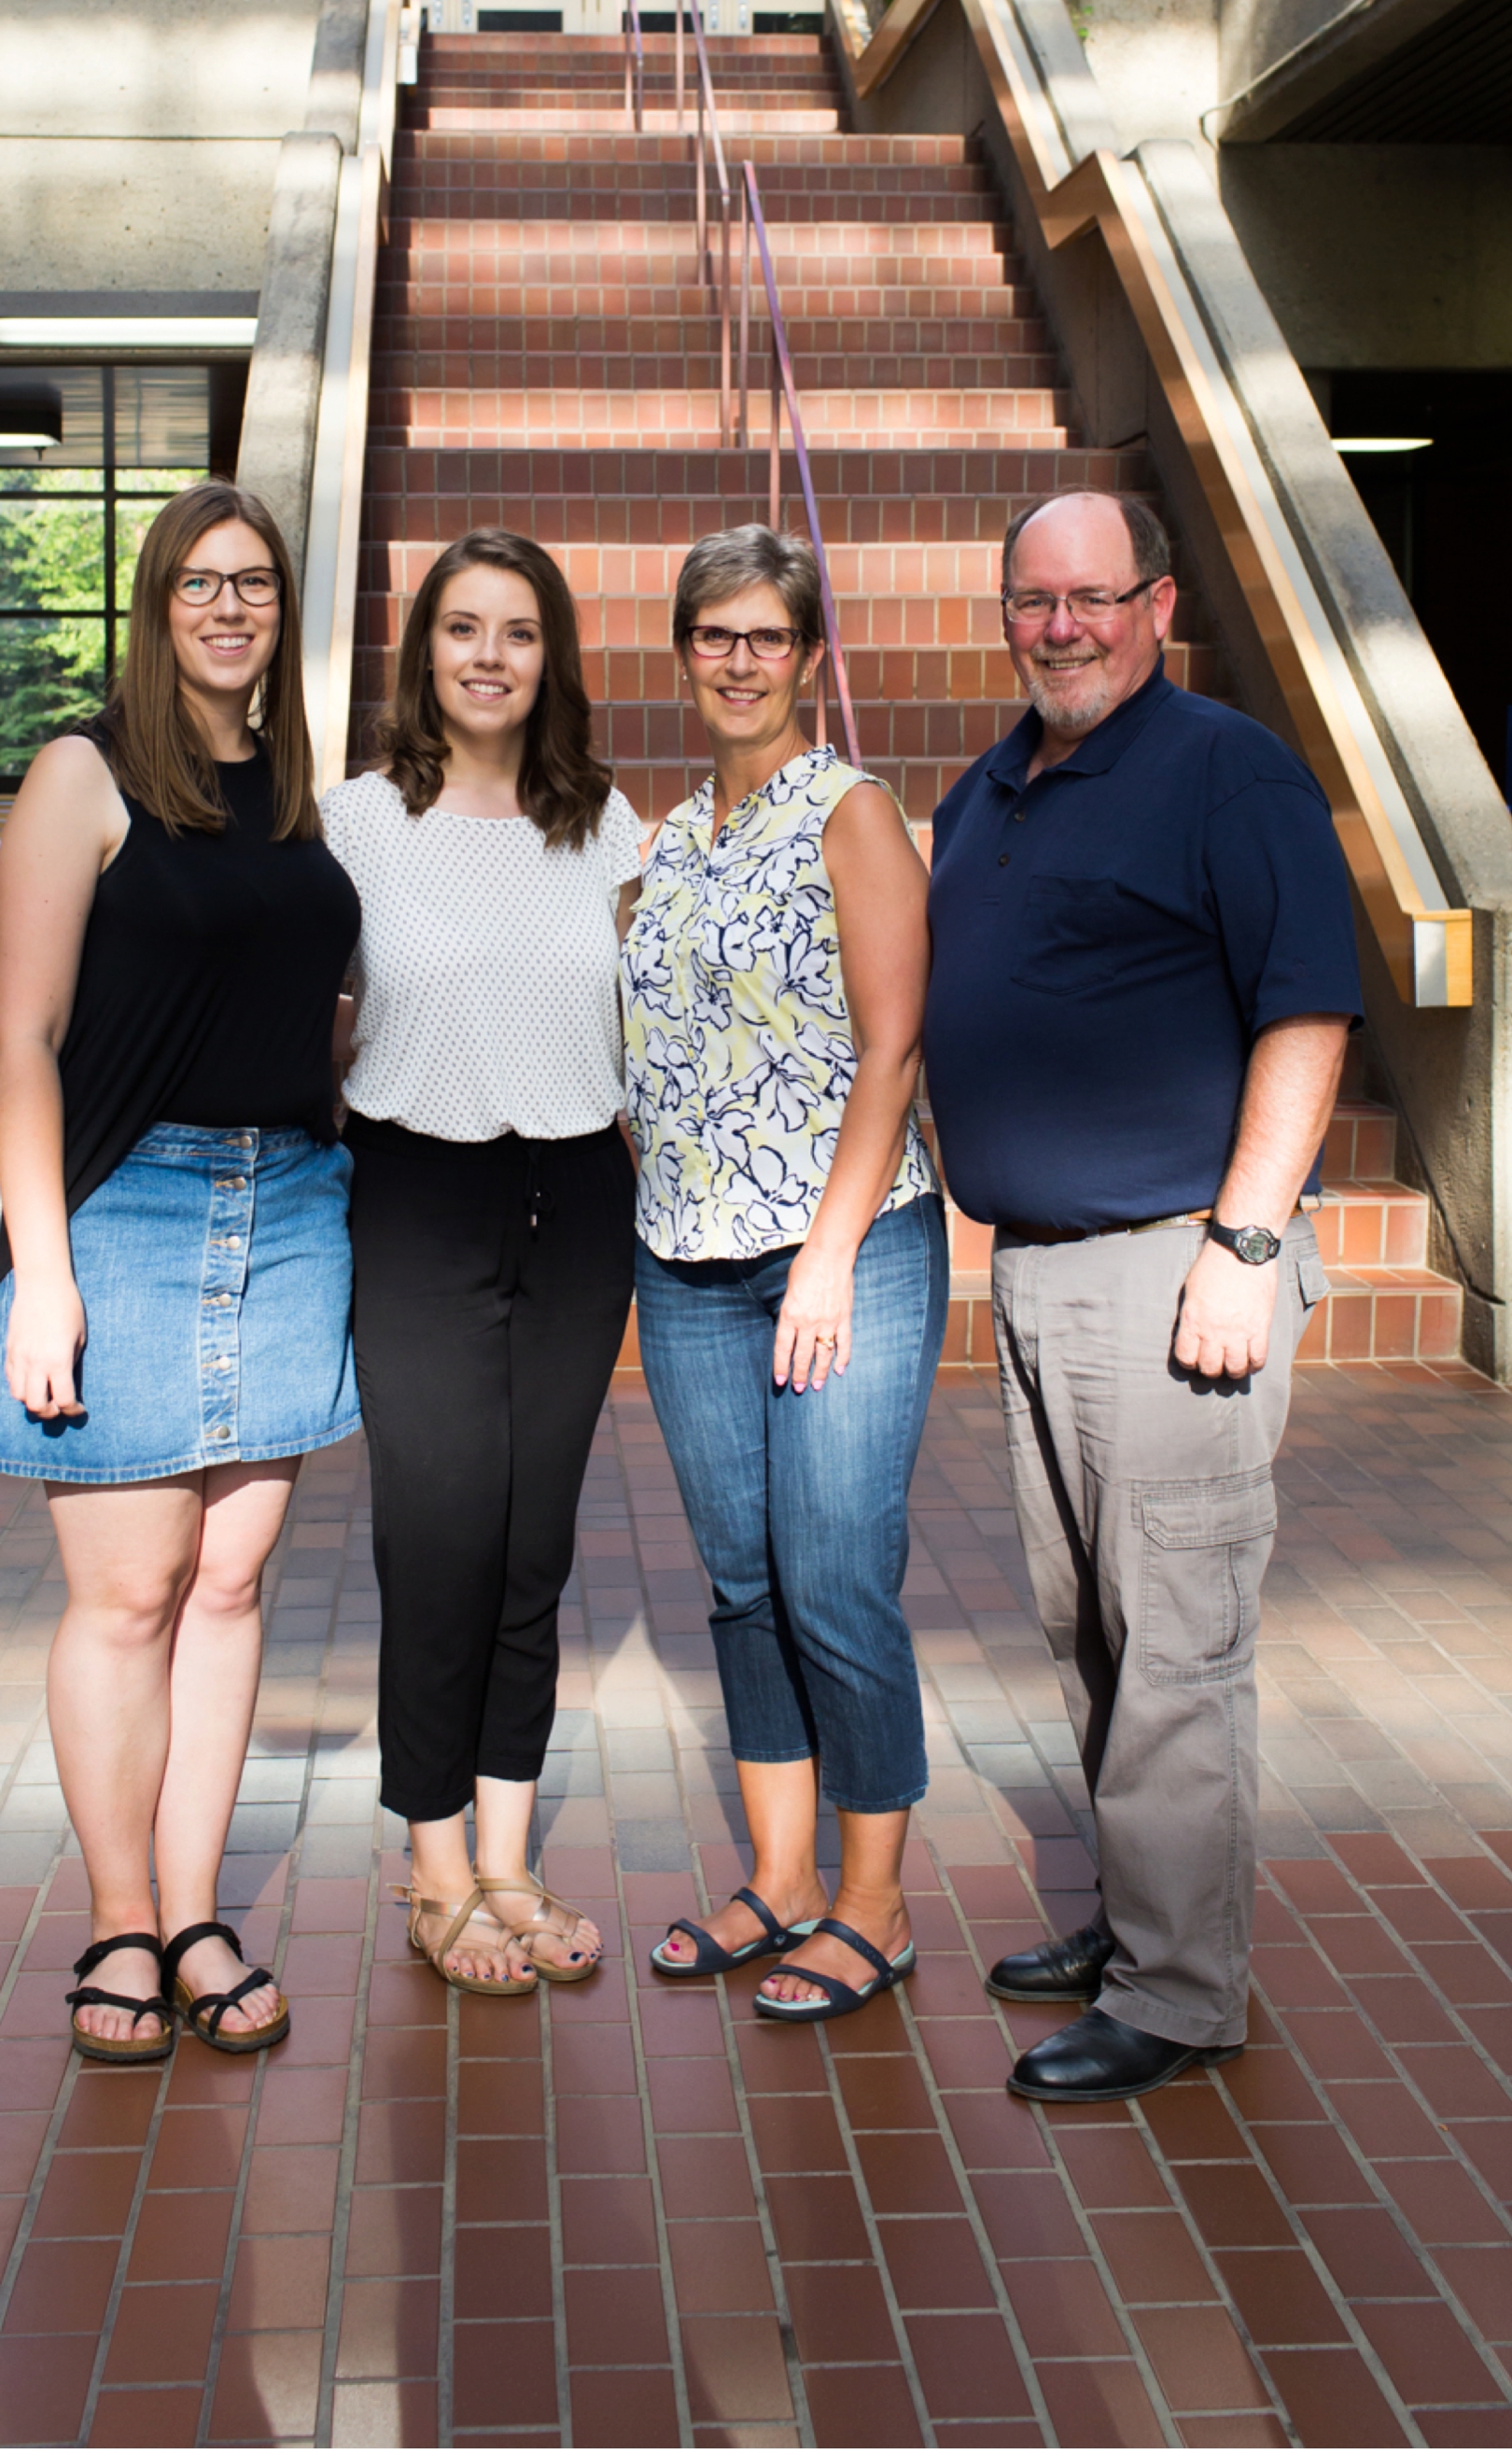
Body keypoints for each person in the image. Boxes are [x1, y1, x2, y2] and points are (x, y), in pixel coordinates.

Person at [925, 489, 1361, 2105]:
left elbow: (1309, 1005)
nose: (1061, 626)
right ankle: (1135, 1917)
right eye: (1033, 599)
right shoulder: (992, 786)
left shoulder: (1225, 770)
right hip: (1038, 1271)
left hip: (1178, 1262)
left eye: (1093, 597)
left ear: (1157, 603)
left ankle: (1182, 1989)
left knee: (1175, 1630)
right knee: (1092, 1624)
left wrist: (1246, 1244)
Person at [0, 480, 360, 2066]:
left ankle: (200, 1909)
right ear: (156, 603)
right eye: (202, 583)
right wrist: (43, 1269)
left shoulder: (290, 785)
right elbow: (22, 1040)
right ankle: (121, 1919)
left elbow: (312, 995)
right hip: (125, 1211)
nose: (230, 607)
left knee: (227, 1584)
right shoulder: (82, 773)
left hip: (286, 1206)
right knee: (127, 1590)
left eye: (255, 585)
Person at [623, 526, 947, 2023]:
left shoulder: (854, 812)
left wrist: (825, 1255)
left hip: (846, 1253)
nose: (741, 659)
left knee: (832, 1572)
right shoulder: (667, 835)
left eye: (768, 635)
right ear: (682, 651)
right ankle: (781, 1876)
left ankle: (875, 1901)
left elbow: (891, 1044)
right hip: (684, 1261)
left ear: (811, 656)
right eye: (715, 634)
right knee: (745, 1580)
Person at [325, 530, 641, 1995]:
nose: (491, 656)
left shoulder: (609, 824)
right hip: (417, 1193)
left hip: (576, 1201)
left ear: (551, 656)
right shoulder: (357, 824)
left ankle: (506, 1857)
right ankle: (432, 1862)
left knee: (533, 1542)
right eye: (463, 628)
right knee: (435, 1534)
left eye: (520, 631)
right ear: (423, 652)